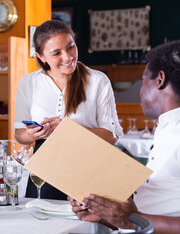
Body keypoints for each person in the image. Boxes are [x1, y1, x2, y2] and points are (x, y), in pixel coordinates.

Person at [69, 41, 180, 233]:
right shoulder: (168, 129)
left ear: (160, 80)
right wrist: (103, 215)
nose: (140, 91)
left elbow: (136, 219)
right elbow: (154, 208)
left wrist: (133, 219)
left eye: (143, 80)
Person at [13, 20, 123, 200]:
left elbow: (112, 135)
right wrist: (33, 134)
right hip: (44, 168)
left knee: (85, 224)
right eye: (56, 53)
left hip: (89, 166)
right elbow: (19, 135)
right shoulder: (28, 82)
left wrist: (68, 130)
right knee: (41, 224)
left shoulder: (97, 80)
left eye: (70, 47)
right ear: (41, 56)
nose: (67, 57)